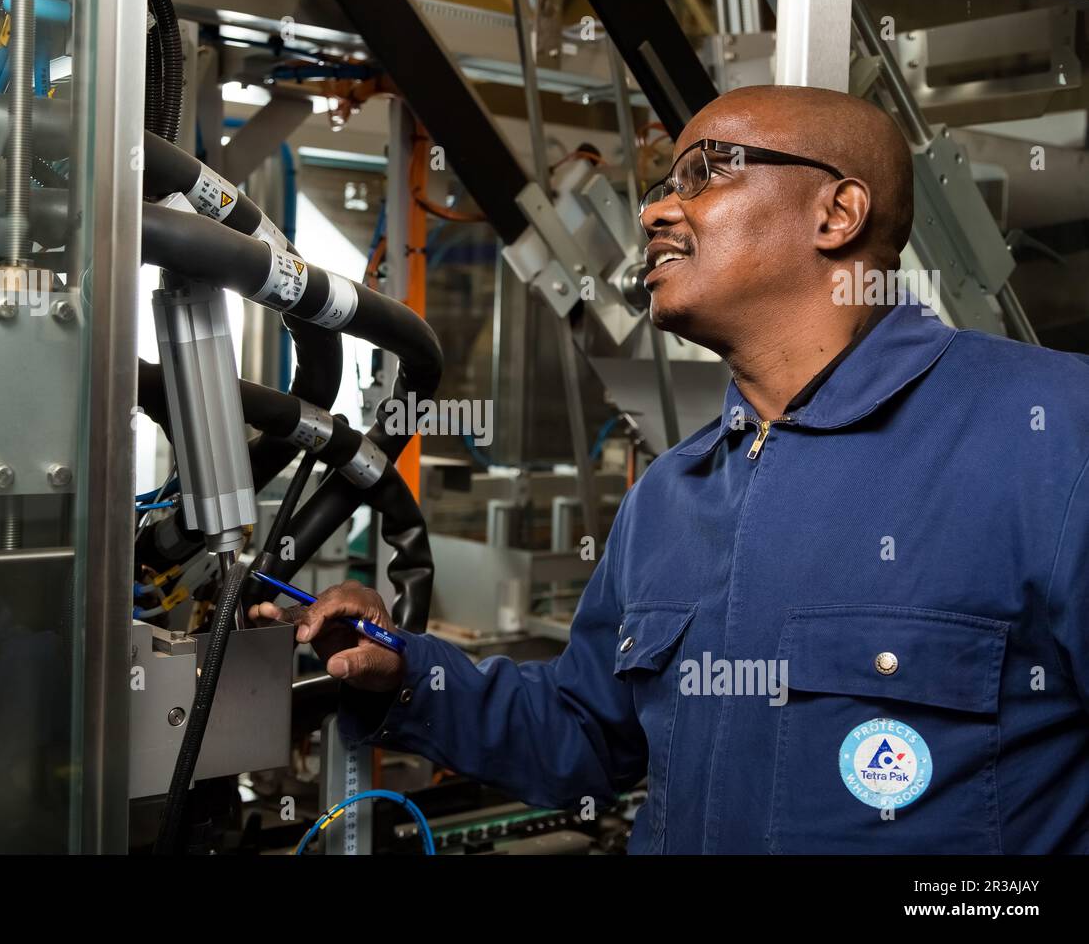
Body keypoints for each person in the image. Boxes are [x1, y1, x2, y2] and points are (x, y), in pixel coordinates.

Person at [250, 85, 1089, 853]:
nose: (656, 209)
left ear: (836, 214)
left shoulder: (1050, 436)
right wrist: (410, 671)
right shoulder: (672, 493)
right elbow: (587, 735)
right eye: (663, 182)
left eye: (706, 172)